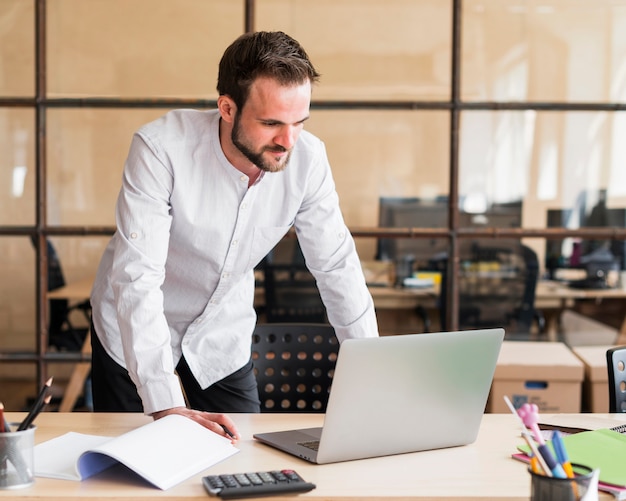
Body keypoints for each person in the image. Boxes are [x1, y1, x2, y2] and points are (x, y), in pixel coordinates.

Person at [89, 31, 379, 440]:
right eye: (272, 123)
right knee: (135, 469)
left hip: (220, 332)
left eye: (299, 122)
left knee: (244, 461)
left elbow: (336, 267)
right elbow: (137, 278)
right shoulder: (160, 149)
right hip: (133, 335)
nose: (287, 141)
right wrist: (167, 404)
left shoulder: (308, 160)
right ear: (227, 108)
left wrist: (373, 375)